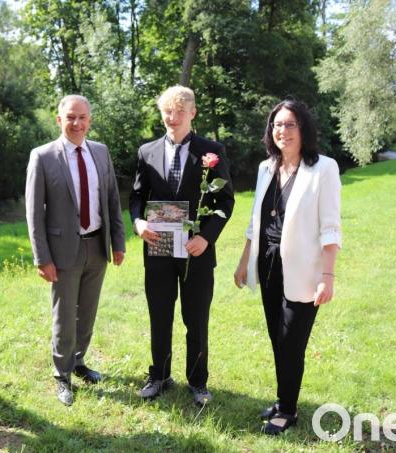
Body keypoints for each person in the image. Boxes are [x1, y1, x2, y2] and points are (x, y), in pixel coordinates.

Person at [234, 99, 342, 435]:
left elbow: (330, 227)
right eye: (277, 125)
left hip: (304, 269)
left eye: (290, 124)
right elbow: (256, 221)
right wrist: (243, 262)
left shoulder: (324, 168)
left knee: (291, 341)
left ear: (304, 128)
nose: (283, 131)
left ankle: (288, 411)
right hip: (267, 264)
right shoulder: (267, 167)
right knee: (277, 338)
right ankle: (283, 401)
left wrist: (327, 275)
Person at [129, 85, 235, 407]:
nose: (171, 117)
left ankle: (198, 381)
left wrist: (206, 237)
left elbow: (225, 200)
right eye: (166, 111)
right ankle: (159, 375)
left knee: (196, 318)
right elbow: (136, 196)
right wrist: (138, 222)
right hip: (158, 249)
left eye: (178, 111)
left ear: (192, 113)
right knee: (159, 315)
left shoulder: (211, 151)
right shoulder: (146, 152)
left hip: (196, 251)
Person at [25, 94, 126, 406]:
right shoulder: (42, 157)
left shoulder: (100, 152)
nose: (77, 123)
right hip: (62, 252)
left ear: (90, 120)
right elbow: (33, 213)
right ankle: (62, 374)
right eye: (70, 117)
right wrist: (42, 258)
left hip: (97, 246)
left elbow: (111, 199)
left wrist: (118, 242)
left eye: (82, 117)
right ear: (59, 120)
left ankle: (79, 361)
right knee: (65, 316)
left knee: (88, 312)